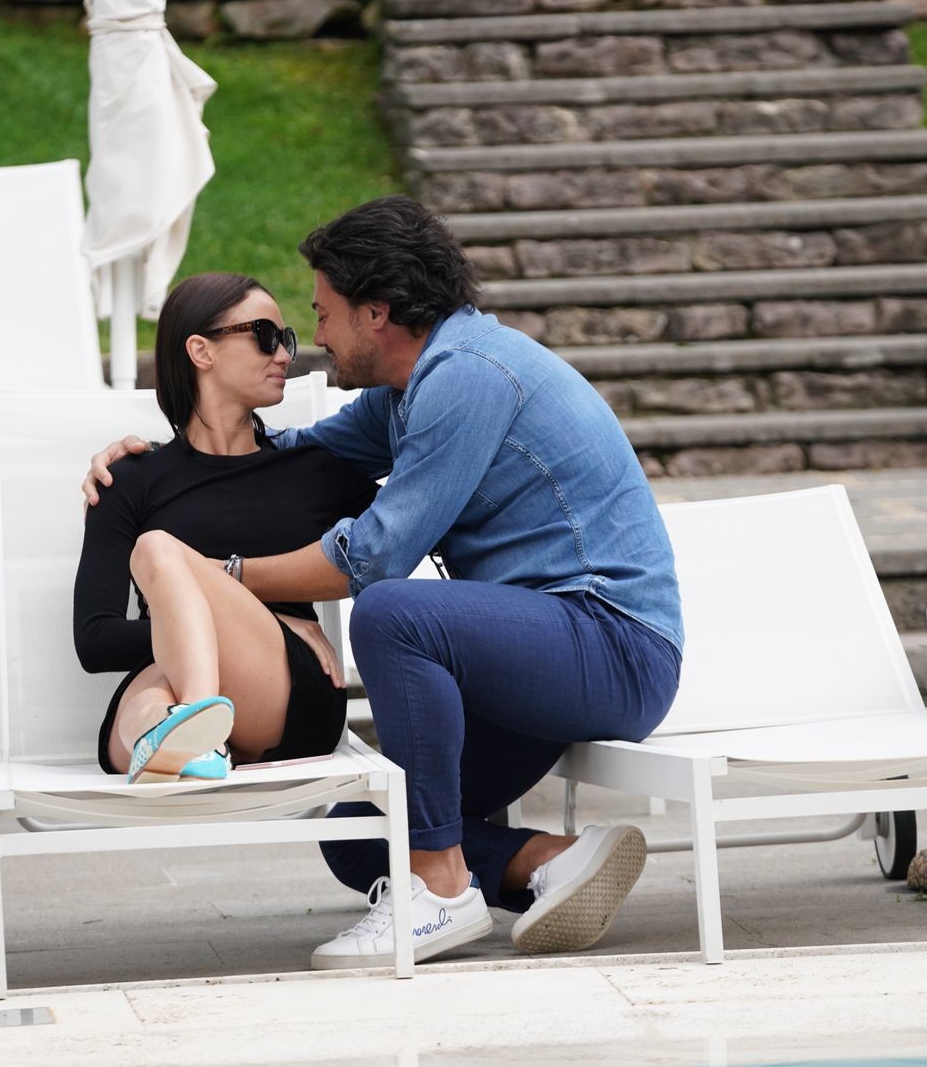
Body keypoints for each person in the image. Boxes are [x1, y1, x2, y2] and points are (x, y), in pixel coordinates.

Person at [84, 196, 684, 968]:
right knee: (361, 833)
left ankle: (439, 889)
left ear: (377, 313)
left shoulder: (468, 377)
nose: (315, 338)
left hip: (610, 645)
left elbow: (369, 560)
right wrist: (153, 460)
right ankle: (553, 861)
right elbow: (291, 456)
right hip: (531, 653)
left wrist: (218, 577)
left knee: (392, 611)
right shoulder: (404, 395)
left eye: (323, 314)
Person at [74, 272, 376, 783]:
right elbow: (95, 640)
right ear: (201, 351)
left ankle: (195, 727)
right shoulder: (126, 479)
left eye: (285, 339)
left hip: (289, 698)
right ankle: (177, 734)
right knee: (148, 703)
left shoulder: (313, 469)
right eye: (265, 336)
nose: (283, 355)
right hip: (168, 675)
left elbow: (398, 544)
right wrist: (202, 632)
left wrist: (268, 628)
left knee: (158, 550)